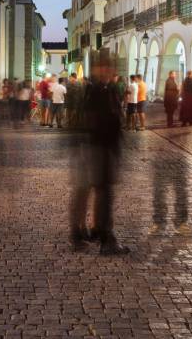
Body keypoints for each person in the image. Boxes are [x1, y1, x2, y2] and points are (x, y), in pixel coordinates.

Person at [69, 57, 129, 256]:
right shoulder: (97, 90)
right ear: (100, 68)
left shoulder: (100, 89)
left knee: (90, 191)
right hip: (98, 147)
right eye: (105, 66)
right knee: (100, 193)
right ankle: (104, 237)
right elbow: (101, 120)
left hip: (96, 146)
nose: (109, 70)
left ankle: (90, 232)